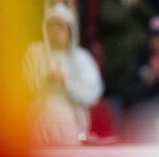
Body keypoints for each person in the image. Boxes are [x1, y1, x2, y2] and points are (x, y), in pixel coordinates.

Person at [24, 3, 104, 146]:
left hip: (70, 124)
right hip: (37, 123)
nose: (55, 30)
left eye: (60, 26)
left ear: (70, 30)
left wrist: (66, 83)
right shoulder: (34, 53)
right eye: (51, 25)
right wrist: (45, 81)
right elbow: (23, 86)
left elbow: (92, 93)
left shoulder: (82, 58)